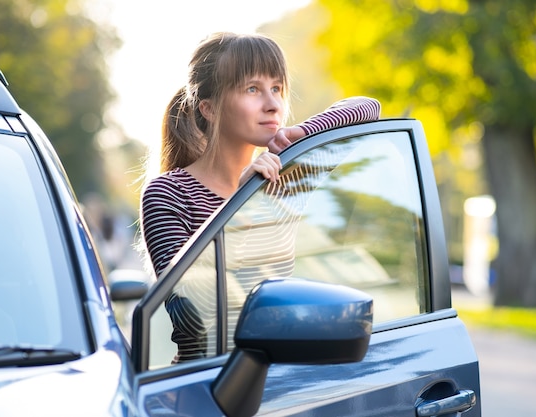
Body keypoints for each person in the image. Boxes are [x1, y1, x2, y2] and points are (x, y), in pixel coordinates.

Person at [138, 31, 380, 362]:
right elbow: (192, 312)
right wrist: (240, 209)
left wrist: (303, 135)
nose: (272, 104)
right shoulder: (169, 193)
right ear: (208, 108)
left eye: (277, 88)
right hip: (205, 386)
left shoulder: (284, 180)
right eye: (253, 89)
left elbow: (368, 108)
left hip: (281, 382)